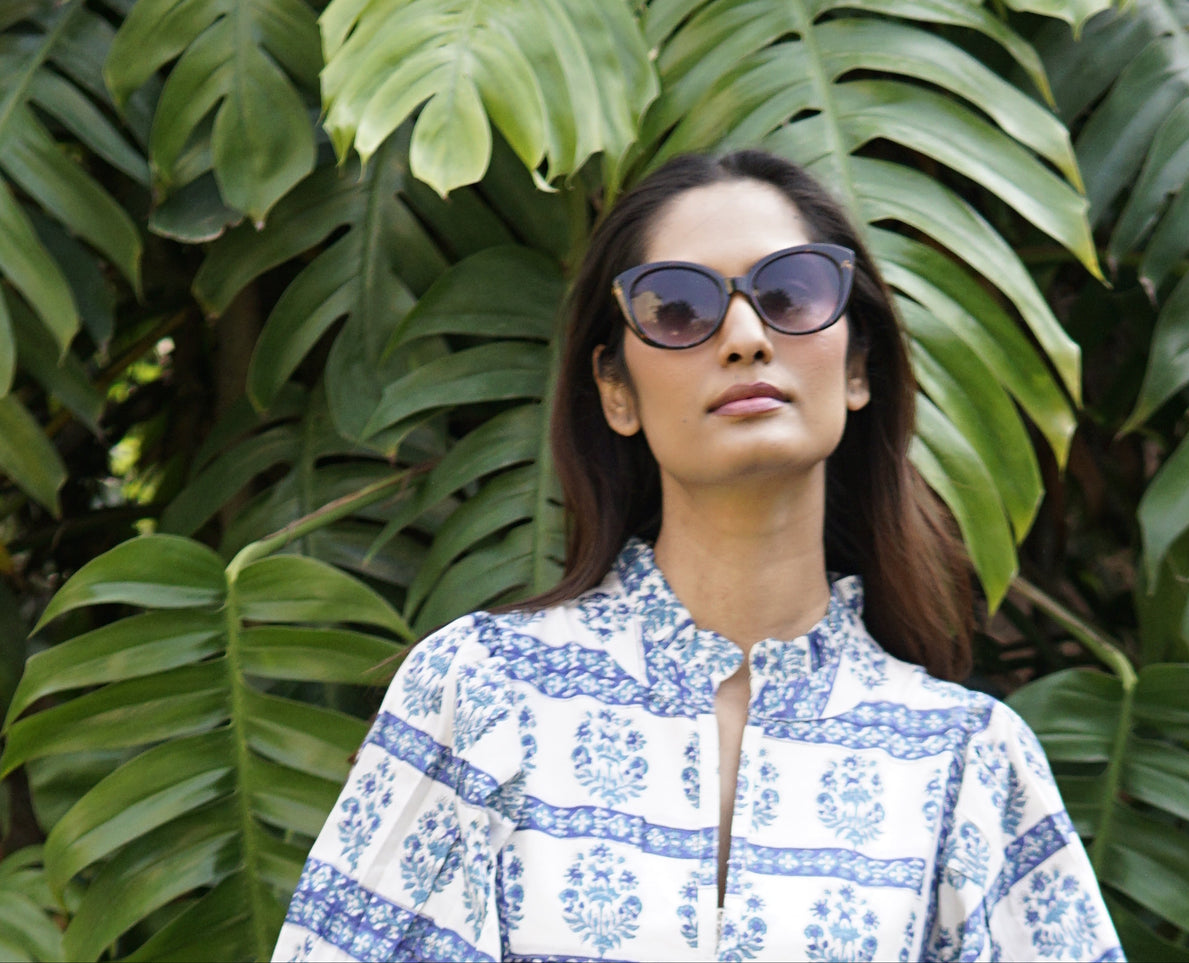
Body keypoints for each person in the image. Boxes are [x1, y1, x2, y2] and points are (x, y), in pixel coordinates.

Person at [273, 150, 1122, 962]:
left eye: (791, 293)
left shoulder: (967, 756)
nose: (746, 336)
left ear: (857, 365)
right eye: (679, 307)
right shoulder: (485, 690)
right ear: (615, 389)